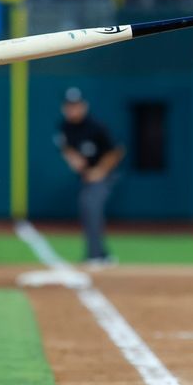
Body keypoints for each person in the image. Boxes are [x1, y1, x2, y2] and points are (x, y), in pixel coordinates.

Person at [55, 88, 125, 266]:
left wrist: (99, 172)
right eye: (69, 106)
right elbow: (65, 146)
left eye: (76, 106)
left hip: (106, 173)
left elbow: (116, 152)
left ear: (84, 106)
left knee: (91, 203)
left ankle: (95, 256)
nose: (73, 109)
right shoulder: (65, 126)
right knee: (87, 207)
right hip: (87, 176)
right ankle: (102, 254)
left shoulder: (96, 127)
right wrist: (72, 157)